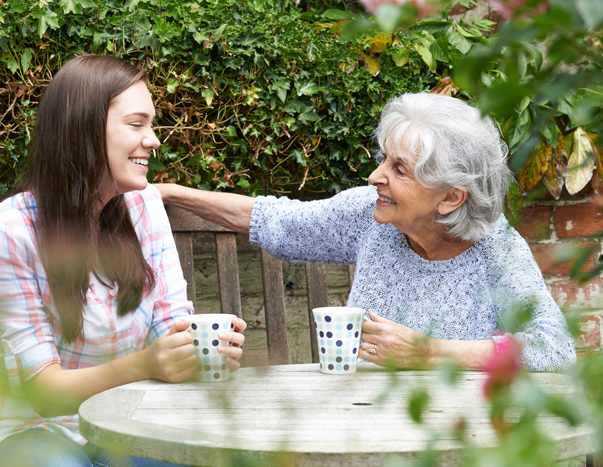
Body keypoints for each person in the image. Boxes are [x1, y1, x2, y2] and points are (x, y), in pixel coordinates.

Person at [0, 54, 246, 467]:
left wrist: (199, 350)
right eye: (136, 124)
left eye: (151, 124)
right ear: (84, 131)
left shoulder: (143, 207)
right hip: (25, 431)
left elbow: (171, 323)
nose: (154, 140)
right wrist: (148, 363)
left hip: (127, 420)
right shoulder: (6, 233)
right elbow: (42, 392)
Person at [157, 93, 577, 373]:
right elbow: (277, 220)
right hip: (358, 423)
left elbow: (555, 349)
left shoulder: (496, 249)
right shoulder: (371, 214)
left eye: (399, 169)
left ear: (450, 198)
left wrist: (428, 352)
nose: (375, 176)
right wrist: (170, 193)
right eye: (384, 159)